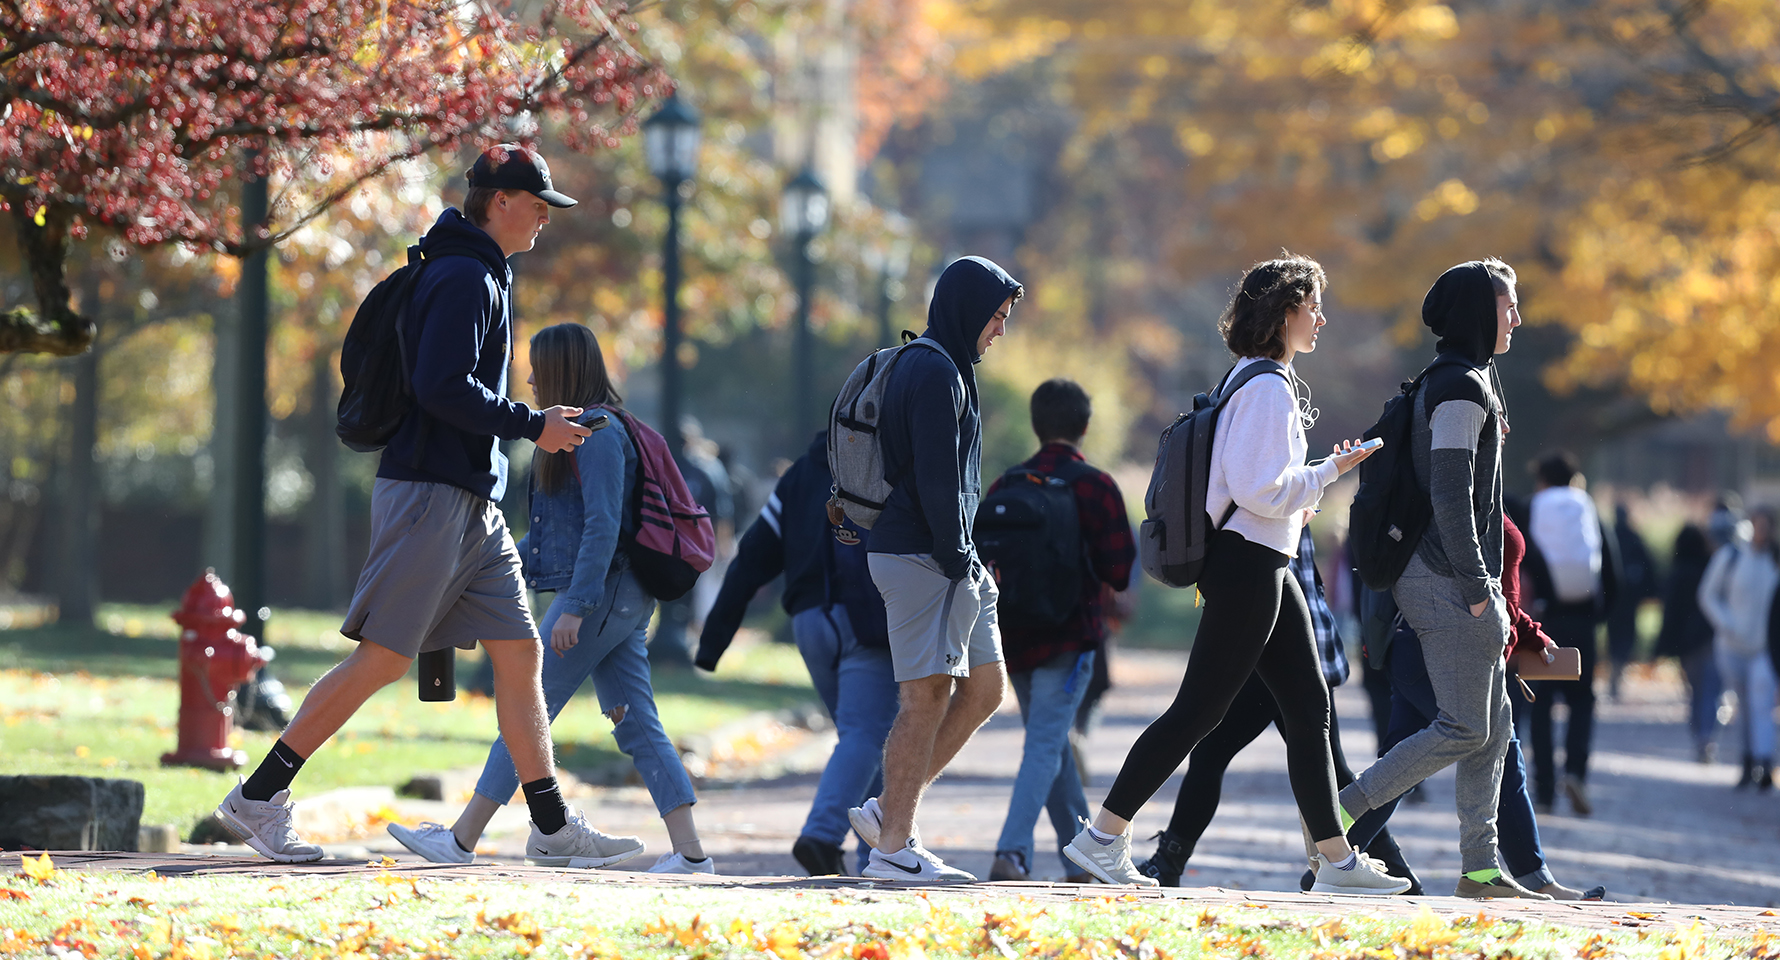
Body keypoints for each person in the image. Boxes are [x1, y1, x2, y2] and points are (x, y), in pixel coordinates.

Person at [214, 145, 609, 863]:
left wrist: (523, 430)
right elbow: (440, 386)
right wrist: (534, 426)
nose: (546, 219)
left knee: (519, 655)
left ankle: (551, 828)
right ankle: (259, 797)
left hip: (470, 501)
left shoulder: (478, 272)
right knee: (383, 660)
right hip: (430, 493)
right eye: (538, 204)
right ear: (501, 201)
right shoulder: (464, 277)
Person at [1060, 254, 1400, 894]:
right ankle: (1103, 835)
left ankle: (1334, 861)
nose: (1321, 319)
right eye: (1314, 307)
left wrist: (1319, 474)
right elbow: (1257, 489)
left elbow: (1255, 488)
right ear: (1287, 311)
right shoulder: (1269, 385)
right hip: (1250, 565)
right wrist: (1329, 471)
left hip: (1260, 564)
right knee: (1198, 713)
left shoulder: (1246, 377)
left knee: (1308, 709)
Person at [387, 322, 713, 873]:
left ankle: (463, 839)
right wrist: (482, 563)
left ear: (564, 370)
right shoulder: (572, 434)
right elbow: (558, 533)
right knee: (635, 723)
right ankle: (690, 854)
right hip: (616, 598)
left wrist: (578, 606)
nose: (531, 378)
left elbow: (603, 527)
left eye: (539, 367)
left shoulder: (599, 433)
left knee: (526, 710)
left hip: (603, 596)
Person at [1335, 258, 1535, 898]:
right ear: (1480, 311)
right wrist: (1482, 589)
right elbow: (1451, 497)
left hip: (1450, 578)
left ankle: (1481, 869)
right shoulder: (1458, 390)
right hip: (1444, 580)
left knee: (1494, 725)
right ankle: (1334, 815)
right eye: (1507, 306)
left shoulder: (1467, 380)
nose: (1516, 318)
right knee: (1464, 726)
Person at [847, 256, 1023, 882]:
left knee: (985, 688)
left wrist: (967, 560)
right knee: (925, 696)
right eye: (996, 318)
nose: (999, 331)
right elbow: (934, 478)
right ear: (967, 310)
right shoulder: (932, 370)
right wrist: (958, 560)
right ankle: (893, 847)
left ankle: (886, 810)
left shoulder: (948, 367)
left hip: (948, 556)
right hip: (923, 555)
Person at [1133, 527, 1421, 894]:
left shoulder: (1266, 484)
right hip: (1282, 639)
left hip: (1276, 644)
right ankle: (1397, 875)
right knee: (1325, 769)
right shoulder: (1276, 484)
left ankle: (1169, 860)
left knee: (1218, 754)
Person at [1343, 511, 1603, 900]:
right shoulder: (1454, 474)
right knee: (1496, 747)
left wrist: (1525, 632)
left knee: (1404, 759)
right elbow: (1469, 582)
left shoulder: (1483, 481)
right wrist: (1505, 628)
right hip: (1442, 650)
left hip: (1437, 651)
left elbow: (1494, 585)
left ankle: (1331, 856)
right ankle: (1517, 875)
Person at [695, 432, 895, 878]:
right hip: (867, 617)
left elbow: (753, 556)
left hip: (809, 622)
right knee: (867, 733)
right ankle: (821, 836)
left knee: (868, 738)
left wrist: (714, 642)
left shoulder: (801, 474)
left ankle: (880, 853)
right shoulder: (887, 464)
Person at [983, 379, 1136, 883]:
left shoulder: (1007, 485)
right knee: (1046, 744)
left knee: (1047, 743)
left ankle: (1079, 853)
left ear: (1036, 423)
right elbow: (1119, 571)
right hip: (1071, 637)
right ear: (1085, 425)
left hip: (1014, 638)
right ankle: (1013, 851)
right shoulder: (1095, 485)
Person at [1523, 451, 1617, 816]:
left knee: (1542, 704)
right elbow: (1611, 567)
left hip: (1543, 620)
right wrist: (1599, 614)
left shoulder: (1533, 507)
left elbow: (1523, 555)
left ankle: (1544, 790)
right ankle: (1576, 772)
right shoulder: (1587, 507)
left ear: (1542, 479)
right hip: (1582, 618)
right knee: (1582, 701)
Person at [1698, 505, 1779, 790]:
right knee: (1742, 705)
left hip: (1764, 648)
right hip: (1731, 645)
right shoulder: (1731, 557)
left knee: (1762, 702)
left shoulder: (1775, 561)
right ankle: (1747, 760)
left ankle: (1765, 762)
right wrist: (1726, 623)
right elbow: (1707, 595)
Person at [652, 417, 734, 668]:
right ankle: (688, 643)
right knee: (696, 602)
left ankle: (685, 641)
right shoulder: (705, 469)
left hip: (668, 543)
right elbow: (721, 511)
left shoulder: (660, 467)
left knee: (682, 600)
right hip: (698, 545)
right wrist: (723, 546)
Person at [1657, 524, 1720, 763]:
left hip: (1686, 644)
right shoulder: (1709, 568)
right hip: (1708, 638)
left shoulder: (1678, 573)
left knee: (1695, 690)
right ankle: (1707, 736)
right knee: (1711, 689)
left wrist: (1664, 645)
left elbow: (1670, 613)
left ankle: (1699, 735)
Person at [1606, 503, 1658, 699]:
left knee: (1616, 638)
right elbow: (1648, 568)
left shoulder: (1611, 536)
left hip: (1614, 600)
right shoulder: (1634, 539)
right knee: (1626, 638)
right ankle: (1618, 674)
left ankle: (1616, 674)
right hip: (1628, 601)